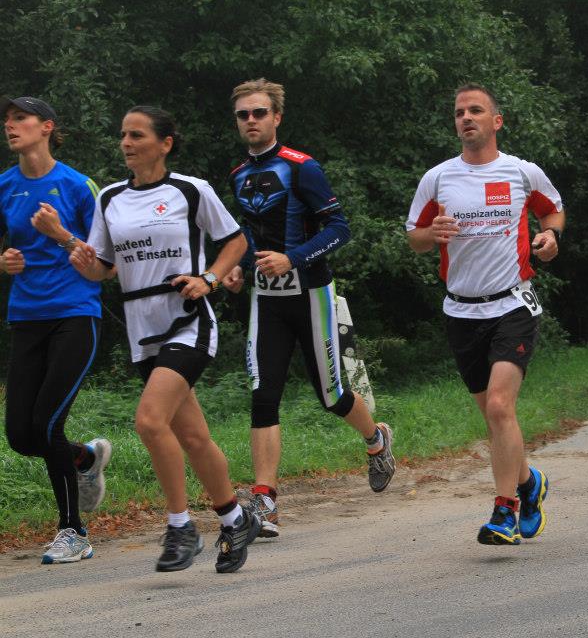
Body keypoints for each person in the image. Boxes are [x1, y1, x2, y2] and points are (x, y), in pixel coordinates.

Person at [69, 106, 260, 572]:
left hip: (188, 320)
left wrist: (208, 279)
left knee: (150, 421)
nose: (126, 143)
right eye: (123, 135)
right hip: (141, 330)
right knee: (192, 436)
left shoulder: (190, 190)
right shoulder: (110, 198)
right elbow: (104, 269)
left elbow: (236, 242)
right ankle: (236, 518)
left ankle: (180, 526)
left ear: (165, 143)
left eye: (137, 135)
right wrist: (85, 264)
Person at [222, 79, 395, 539]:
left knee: (331, 396)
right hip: (266, 300)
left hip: (311, 295)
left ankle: (376, 440)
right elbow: (250, 234)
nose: (251, 120)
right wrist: (238, 266)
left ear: (276, 117)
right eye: (243, 114)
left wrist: (292, 259)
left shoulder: (302, 167)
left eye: (259, 112)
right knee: (263, 396)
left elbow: (339, 229)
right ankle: (265, 502)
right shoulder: (238, 175)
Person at [406, 83, 561, 544]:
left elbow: (553, 212)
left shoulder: (522, 172)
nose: (466, 118)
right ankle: (529, 482)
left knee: (498, 405)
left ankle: (504, 512)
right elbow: (414, 237)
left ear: (497, 121)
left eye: (475, 110)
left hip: (512, 303)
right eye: (459, 112)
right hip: (461, 310)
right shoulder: (438, 179)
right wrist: (430, 233)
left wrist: (550, 237)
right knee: (494, 417)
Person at [0, 95, 112, 564]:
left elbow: (107, 261)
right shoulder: (4, 185)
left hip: (74, 313)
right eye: (7, 120)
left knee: (47, 423)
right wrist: (4, 261)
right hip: (26, 316)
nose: (10, 126)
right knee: (20, 436)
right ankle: (84, 458)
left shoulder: (78, 185)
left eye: (20, 118)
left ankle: (73, 532)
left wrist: (61, 234)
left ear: (46, 126)